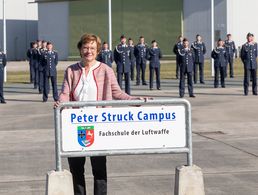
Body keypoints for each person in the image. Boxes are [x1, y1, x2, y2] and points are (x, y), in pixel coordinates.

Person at [55, 33, 144, 195]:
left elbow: (117, 93)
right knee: (76, 170)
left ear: (97, 52)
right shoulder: (71, 70)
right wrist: (60, 102)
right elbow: (65, 93)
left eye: (92, 48)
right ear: (80, 49)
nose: (89, 51)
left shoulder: (106, 70)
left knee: (99, 170)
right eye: (86, 47)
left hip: (98, 126)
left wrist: (135, 99)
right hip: (75, 126)